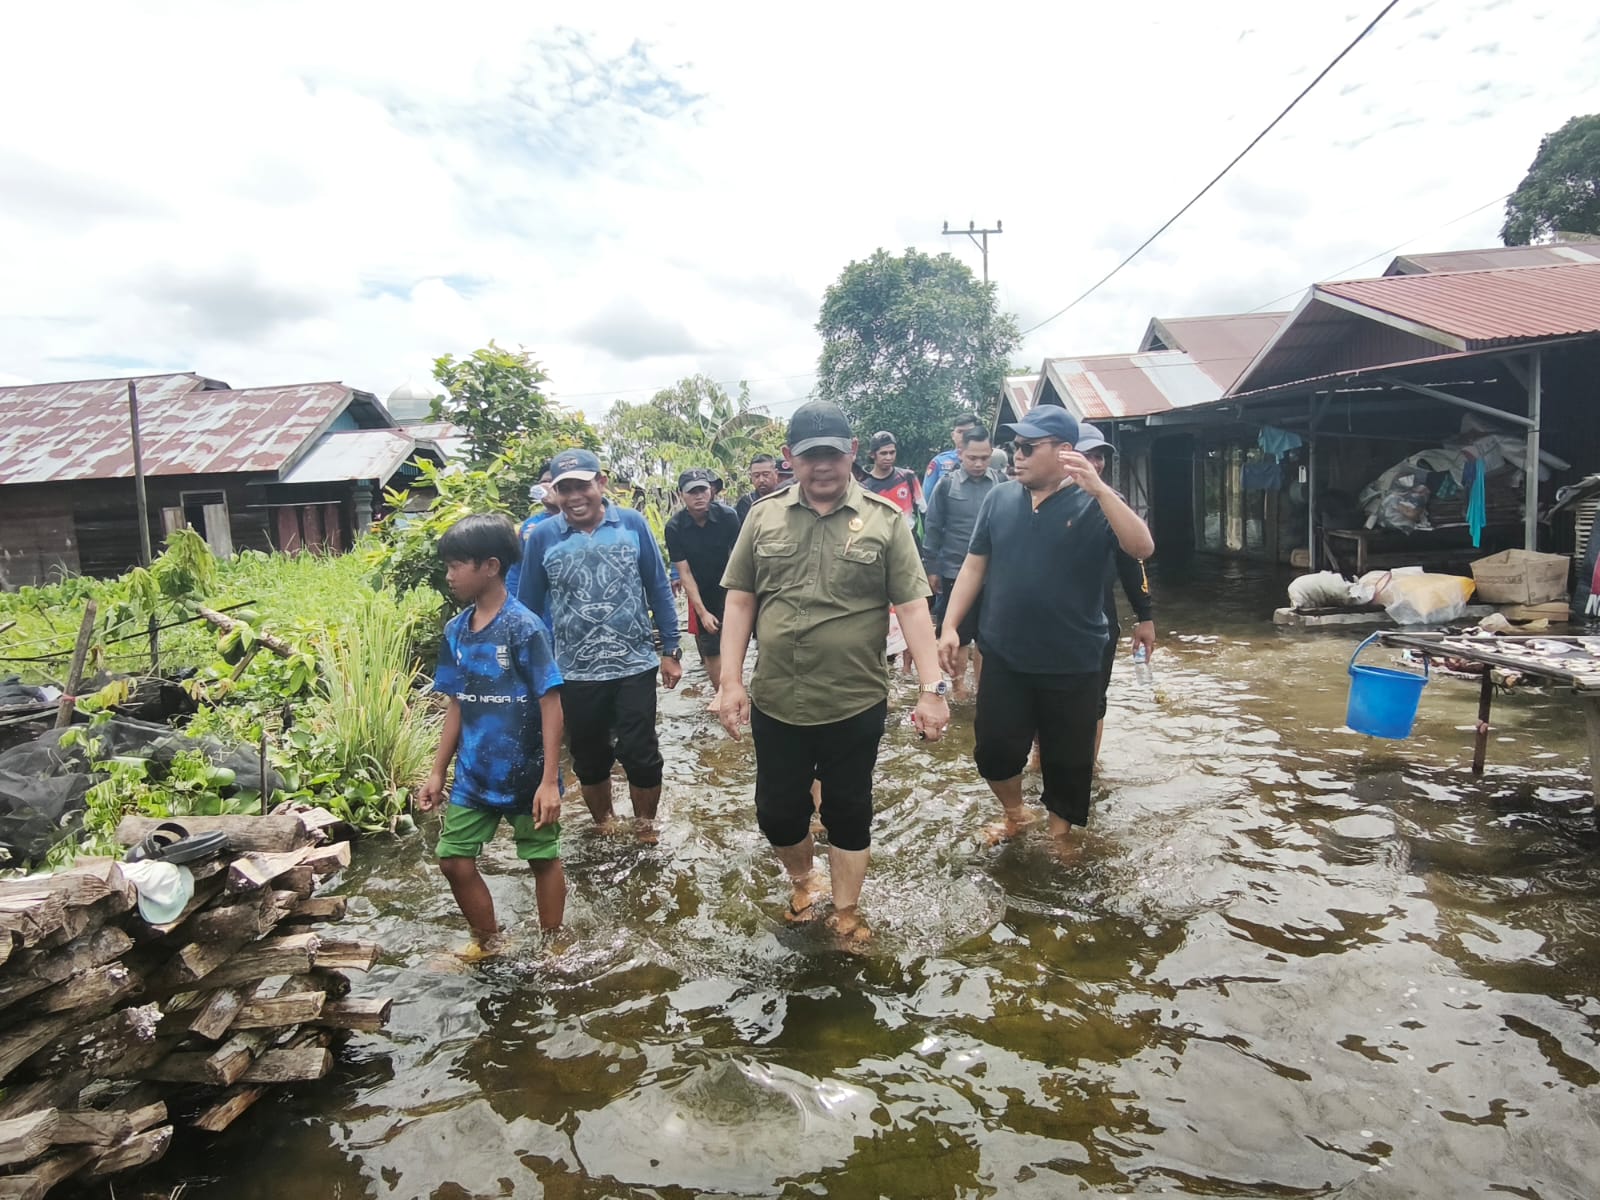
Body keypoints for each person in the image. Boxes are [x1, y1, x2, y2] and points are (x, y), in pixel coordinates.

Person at [717, 401, 950, 941]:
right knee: (777, 813)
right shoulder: (762, 516)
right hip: (778, 699)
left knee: (849, 811)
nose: (821, 467)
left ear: (852, 452)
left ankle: (846, 912)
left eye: (831, 455)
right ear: (788, 459)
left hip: (854, 699)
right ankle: (804, 881)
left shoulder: (885, 521)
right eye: (808, 457)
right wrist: (730, 681)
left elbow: (914, 606)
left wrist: (932, 689)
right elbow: (739, 602)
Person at [937, 406, 1155, 847]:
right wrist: (950, 626)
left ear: (1064, 452)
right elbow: (975, 566)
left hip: (1073, 658)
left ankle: (1061, 836)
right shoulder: (1000, 499)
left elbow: (1141, 547)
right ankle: (1016, 813)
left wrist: (1101, 490)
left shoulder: (1094, 503)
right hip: (1003, 653)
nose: (1015, 455)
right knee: (995, 752)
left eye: (1028, 447)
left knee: (1067, 761)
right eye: (1014, 446)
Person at [417, 514, 566, 954]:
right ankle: (488, 940)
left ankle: (554, 942)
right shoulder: (456, 631)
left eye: (457, 565)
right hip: (474, 775)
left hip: (527, 773)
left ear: (491, 566)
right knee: (453, 859)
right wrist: (437, 771)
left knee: (542, 858)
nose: (449, 576)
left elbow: (550, 702)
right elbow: (456, 703)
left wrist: (549, 781)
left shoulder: (525, 627)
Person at [518, 449, 683, 834]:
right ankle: (605, 823)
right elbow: (527, 605)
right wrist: (529, 666)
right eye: (565, 489)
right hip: (575, 670)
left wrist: (670, 651)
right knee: (589, 758)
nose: (575, 496)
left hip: (635, 664)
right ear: (554, 493)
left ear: (601, 484)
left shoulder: (631, 524)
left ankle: (645, 826)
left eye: (582, 486)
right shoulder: (542, 536)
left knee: (642, 755)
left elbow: (658, 588)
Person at [1074, 424, 1156, 757]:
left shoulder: (1113, 505)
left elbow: (1132, 562)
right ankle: (1040, 759)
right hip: (1047, 622)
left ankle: (1089, 771)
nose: (1094, 465)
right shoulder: (1032, 499)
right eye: (1086, 456)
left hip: (1099, 621)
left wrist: (1145, 616)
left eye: (1099, 457)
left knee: (1095, 701)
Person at [922, 427, 1000, 700]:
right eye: (972, 458)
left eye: (984, 457)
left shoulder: (999, 484)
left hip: (994, 574)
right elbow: (932, 527)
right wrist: (932, 568)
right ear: (960, 454)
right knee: (959, 633)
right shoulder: (946, 485)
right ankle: (958, 687)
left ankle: (983, 689)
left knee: (988, 637)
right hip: (955, 570)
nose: (978, 464)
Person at [665, 467, 741, 700]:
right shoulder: (674, 527)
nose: (699, 496)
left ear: (711, 492)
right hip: (701, 592)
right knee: (710, 647)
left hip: (731, 588)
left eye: (703, 490)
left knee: (736, 644)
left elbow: (738, 559)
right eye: (692, 492)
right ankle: (722, 697)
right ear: (681, 495)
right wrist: (703, 612)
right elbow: (684, 573)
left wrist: (738, 600)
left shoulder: (728, 517)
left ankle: (737, 689)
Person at [505, 466, 559, 597]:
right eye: (543, 481)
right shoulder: (530, 524)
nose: (546, 486)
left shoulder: (580, 520)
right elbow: (518, 569)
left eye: (551, 481)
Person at [859, 431, 924, 534]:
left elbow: (923, 510)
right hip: (880, 539)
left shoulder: (908, 477)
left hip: (909, 538)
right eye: (883, 453)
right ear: (872, 454)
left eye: (892, 452)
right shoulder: (864, 486)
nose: (889, 457)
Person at [923, 412, 983, 496]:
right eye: (960, 431)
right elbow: (927, 497)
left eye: (969, 431)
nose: (964, 435)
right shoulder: (939, 462)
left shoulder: (985, 461)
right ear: (953, 435)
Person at [736, 454, 782, 524]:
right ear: (751, 476)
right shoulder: (746, 502)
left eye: (766, 474)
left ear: (776, 474)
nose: (761, 480)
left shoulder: (786, 498)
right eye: (756, 476)